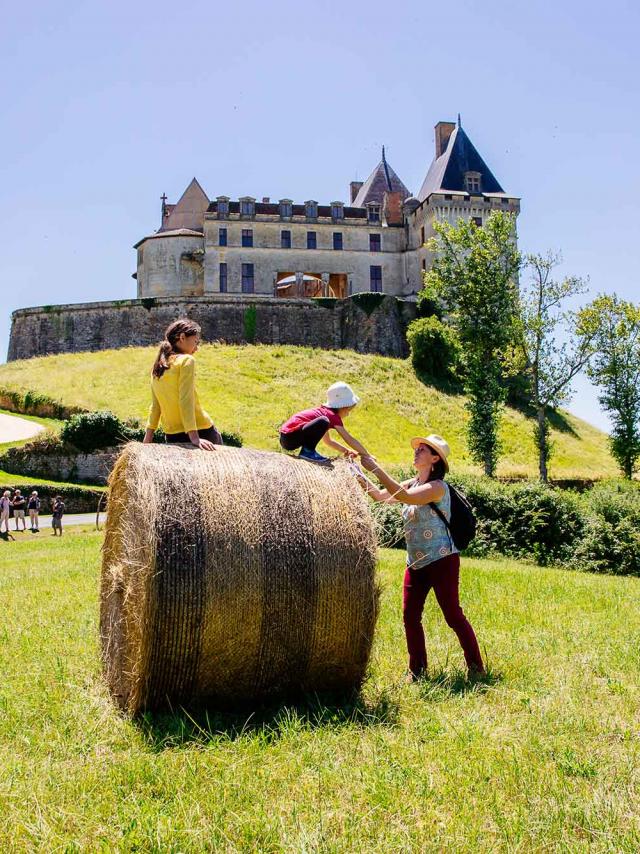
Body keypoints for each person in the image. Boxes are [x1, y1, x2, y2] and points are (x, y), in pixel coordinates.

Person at [359, 434, 484, 681]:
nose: (416, 451)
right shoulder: (412, 483)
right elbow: (379, 496)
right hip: (415, 562)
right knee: (410, 616)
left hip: (442, 560)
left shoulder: (437, 488)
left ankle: (476, 667)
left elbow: (405, 499)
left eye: (423, 449)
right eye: (417, 448)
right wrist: (355, 470)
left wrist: (375, 467)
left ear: (435, 458)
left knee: (452, 615)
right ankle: (417, 670)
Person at [143, 318, 223, 451]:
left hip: (172, 435)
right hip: (201, 430)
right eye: (195, 342)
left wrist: (147, 439)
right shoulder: (187, 361)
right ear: (182, 337)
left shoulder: (158, 368)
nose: (196, 348)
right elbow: (186, 400)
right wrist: (194, 438)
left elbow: (156, 407)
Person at [279, 381, 372, 464]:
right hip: (291, 437)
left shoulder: (324, 414)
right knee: (323, 421)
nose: (348, 414)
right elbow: (348, 438)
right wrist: (367, 455)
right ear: (343, 407)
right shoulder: (330, 417)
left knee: (323, 421)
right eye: (349, 410)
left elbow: (328, 441)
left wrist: (346, 451)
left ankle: (308, 451)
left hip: (286, 438)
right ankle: (307, 452)